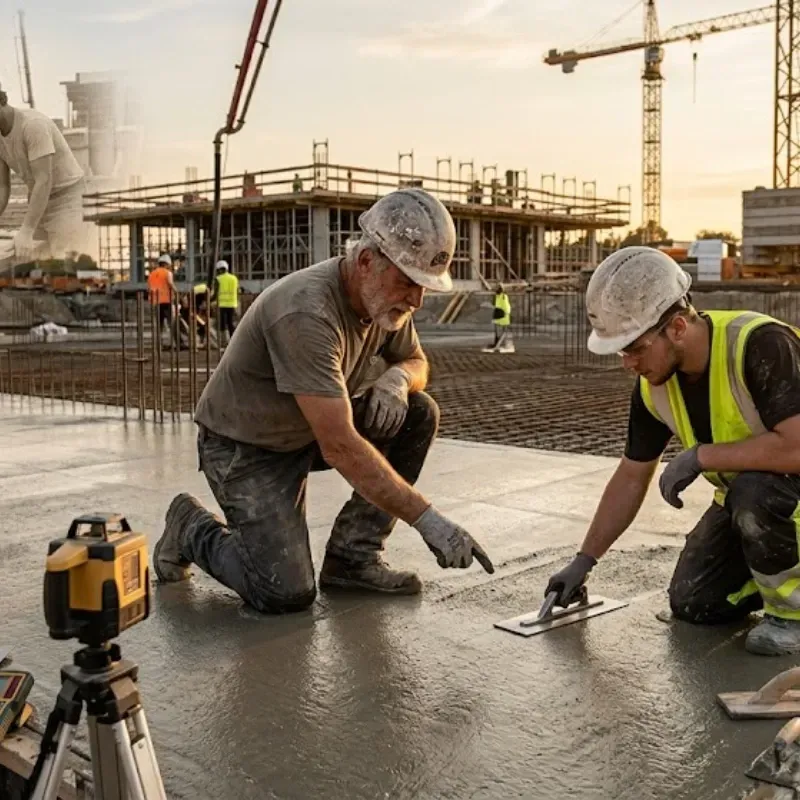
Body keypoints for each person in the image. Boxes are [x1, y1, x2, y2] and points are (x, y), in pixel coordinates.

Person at [153, 188, 494, 614]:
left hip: (302, 433)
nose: (417, 300)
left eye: (423, 286)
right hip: (246, 449)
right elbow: (339, 445)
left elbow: (416, 360)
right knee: (283, 594)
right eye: (408, 282)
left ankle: (353, 558)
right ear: (367, 261)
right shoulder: (308, 313)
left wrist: (397, 378)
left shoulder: (382, 302)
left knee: (418, 411)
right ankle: (190, 527)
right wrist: (428, 520)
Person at [544, 246, 800, 656]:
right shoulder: (654, 385)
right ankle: (771, 572)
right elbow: (631, 475)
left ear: (677, 328)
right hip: (759, 506)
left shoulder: (761, 344)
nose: (627, 362)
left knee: (755, 493)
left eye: (635, 348)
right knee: (694, 602)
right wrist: (584, 560)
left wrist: (701, 457)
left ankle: (793, 618)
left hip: (777, 496)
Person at [0, 83, 86, 265]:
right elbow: (3, 186)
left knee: (65, 261)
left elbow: (44, 179)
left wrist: (26, 230)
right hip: (38, 197)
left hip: (67, 197)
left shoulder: (32, 126)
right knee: (33, 259)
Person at [146, 254, 174, 337]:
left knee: (159, 324)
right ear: (166, 264)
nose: (169, 266)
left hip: (155, 302)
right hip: (166, 301)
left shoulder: (152, 274)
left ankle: (159, 344)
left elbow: (149, 288)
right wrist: (177, 293)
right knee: (171, 322)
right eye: (169, 265)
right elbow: (170, 284)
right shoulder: (167, 273)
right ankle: (177, 343)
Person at [212, 260, 239, 343]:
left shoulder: (218, 279)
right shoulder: (234, 278)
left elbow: (215, 293)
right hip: (233, 304)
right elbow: (237, 291)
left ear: (220, 270)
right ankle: (233, 341)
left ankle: (223, 342)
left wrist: (209, 300)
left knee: (222, 324)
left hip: (222, 304)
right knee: (231, 323)